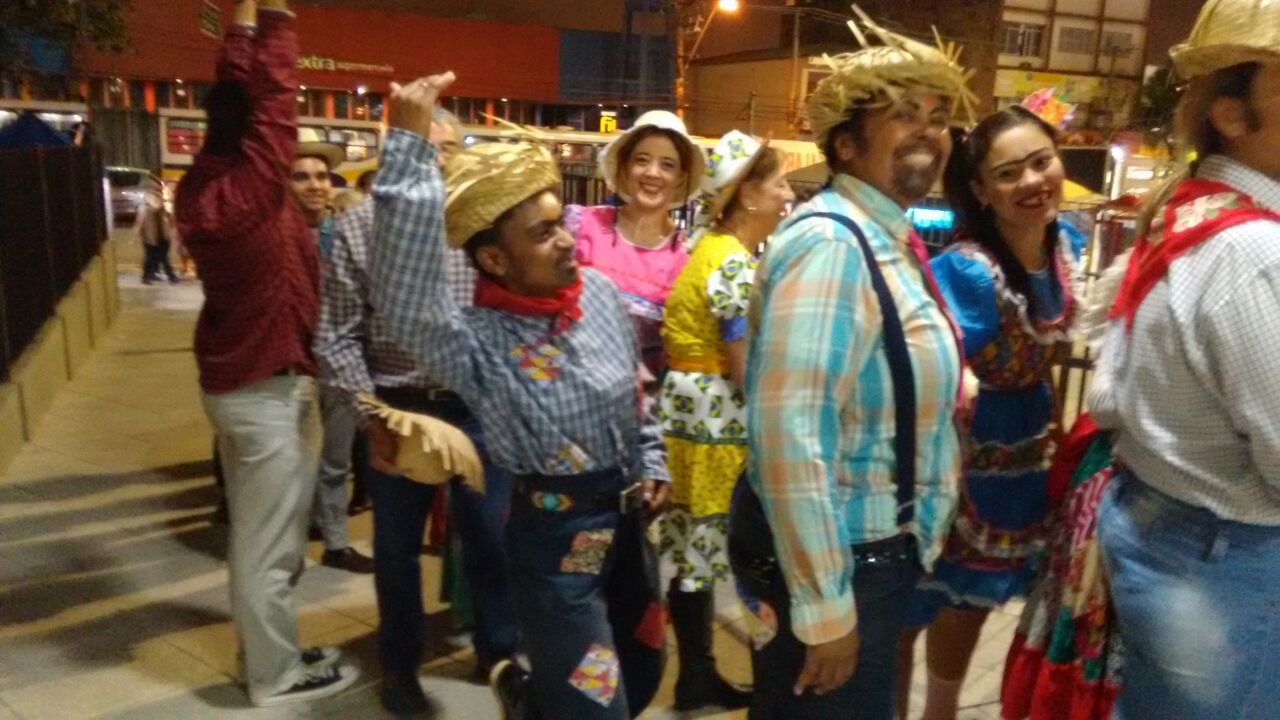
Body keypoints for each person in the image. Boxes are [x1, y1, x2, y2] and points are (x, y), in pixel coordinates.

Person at [368, 73, 669, 720]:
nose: (565, 240)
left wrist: (653, 459)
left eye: (560, 224)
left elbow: (635, 389)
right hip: (557, 544)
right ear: (495, 262)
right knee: (596, 705)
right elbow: (403, 298)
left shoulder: (598, 294)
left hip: (630, 529)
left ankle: (529, 699)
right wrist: (409, 151)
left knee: (643, 672)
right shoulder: (476, 342)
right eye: (541, 234)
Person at [730, 9, 973, 718]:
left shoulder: (879, 237)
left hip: (868, 553)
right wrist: (826, 607)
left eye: (938, 116)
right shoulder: (833, 245)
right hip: (843, 559)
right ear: (846, 142)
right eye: (904, 114)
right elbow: (790, 434)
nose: (928, 129)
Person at [1087, 1, 1280, 717]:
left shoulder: (1191, 210)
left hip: (1164, 531)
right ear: (1231, 115)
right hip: (1228, 562)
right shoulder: (1253, 251)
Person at [173, 0, 358, 705]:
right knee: (269, 547)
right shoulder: (247, 190)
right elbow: (274, 105)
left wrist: (242, 27)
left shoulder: (209, 182)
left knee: (260, 538)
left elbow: (245, 95)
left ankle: (266, 653)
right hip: (263, 393)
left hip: (244, 386)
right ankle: (275, 677)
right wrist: (278, 20)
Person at [315, 105, 519, 716]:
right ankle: (400, 668)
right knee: (397, 549)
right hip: (397, 409)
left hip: (479, 408)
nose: (434, 162)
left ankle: (499, 655)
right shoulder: (358, 229)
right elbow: (336, 336)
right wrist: (370, 417)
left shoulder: (479, 225)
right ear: (394, 157)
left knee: (490, 537)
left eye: (445, 149)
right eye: (420, 149)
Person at [894, 105, 1084, 720]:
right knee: (916, 606)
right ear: (980, 190)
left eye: (1040, 162)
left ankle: (939, 711)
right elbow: (926, 365)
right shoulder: (968, 271)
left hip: (1027, 447)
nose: (1032, 181)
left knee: (971, 601)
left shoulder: (1066, 245)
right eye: (1008, 174)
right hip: (959, 452)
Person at [658, 130, 792, 712]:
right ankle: (705, 678)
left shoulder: (707, 249)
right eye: (779, 183)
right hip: (716, 423)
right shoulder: (735, 265)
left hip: (691, 415)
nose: (787, 195)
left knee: (692, 546)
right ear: (747, 195)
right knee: (714, 546)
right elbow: (746, 369)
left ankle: (696, 676)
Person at [287, 140, 377, 575]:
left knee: (337, 460)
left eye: (322, 176)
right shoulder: (275, 236)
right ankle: (290, 544)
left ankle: (335, 542)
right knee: (293, 461)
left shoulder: (344, 232)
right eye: (302, 177)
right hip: (290, 364)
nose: (315, 185)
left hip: (338, 362)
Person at [568, 109, 705, 379]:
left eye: (667, 165)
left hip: (641, 399)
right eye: (642, 160)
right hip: (568, 390)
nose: (652, 173)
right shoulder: (580, 226)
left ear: (680, 177)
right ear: (625, 167)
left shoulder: (686, 258)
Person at [138, 179, 180, 284]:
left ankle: (150, 275)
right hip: (151, 234)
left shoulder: (164, 198)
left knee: (159, 256)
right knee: (155, 256)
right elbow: (155, 207)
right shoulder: (149, 198)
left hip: (162, 233)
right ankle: (169, 276)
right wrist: (165, 200)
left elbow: (170, 214)